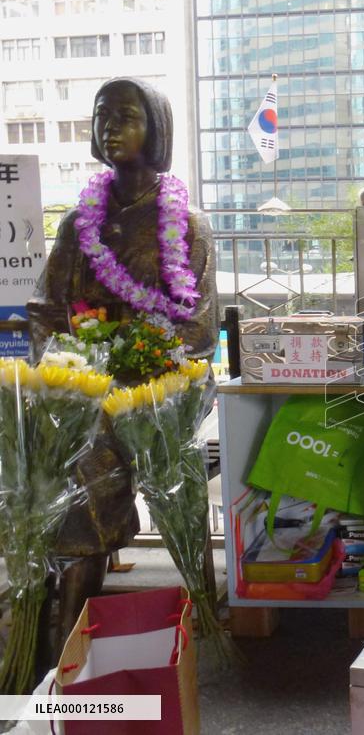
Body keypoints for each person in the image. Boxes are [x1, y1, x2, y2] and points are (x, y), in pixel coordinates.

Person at [27, 77, 218, 654]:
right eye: (102, 116)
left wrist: (141, 357)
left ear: (154, 127)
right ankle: (71, 633)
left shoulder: (187, 224)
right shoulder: (76, 225)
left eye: (126, 116)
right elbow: (45, 311)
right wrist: (77, 364)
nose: (110, 127)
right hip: (94, 388)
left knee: (172, 471)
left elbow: (201, 329)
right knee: (83, 472)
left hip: (162, 388)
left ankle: (203, 618)